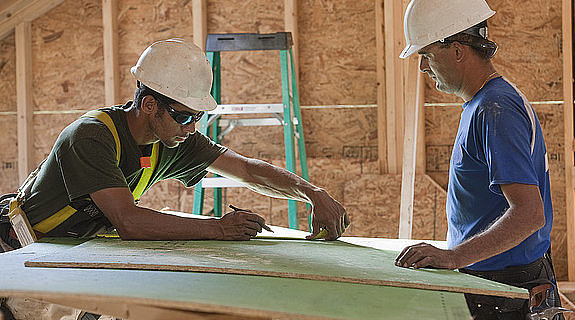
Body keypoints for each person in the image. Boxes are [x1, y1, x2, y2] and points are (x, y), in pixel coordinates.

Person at [0, 38, 350, 252]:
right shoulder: (91, 136)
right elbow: (129, 222)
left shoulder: (172, 137)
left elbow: (244, 169)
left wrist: (312, 193)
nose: (192, 126)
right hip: (15, 245)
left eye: (198, 117)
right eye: (184, 116)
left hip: (64, 249)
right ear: (149, 105)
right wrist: (219, 228)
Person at [394, 0, 564, 319]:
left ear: (457, 51)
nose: (423, 67)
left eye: (426, 55)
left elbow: (529, 215)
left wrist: (454, 257)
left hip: (508, 289)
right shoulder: (485, 104)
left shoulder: (495, 110)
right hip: (500, 282)